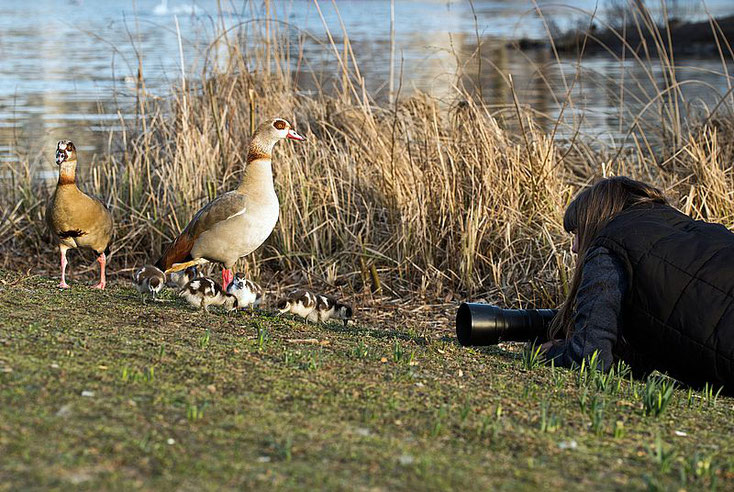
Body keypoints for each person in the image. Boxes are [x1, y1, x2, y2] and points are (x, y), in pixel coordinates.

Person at [542, 176, 734, 392]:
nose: (574, 248)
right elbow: (664, 329)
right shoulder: (685, 233)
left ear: (593, 222)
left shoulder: (610, 244)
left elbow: (590, 358)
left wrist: (547, 353)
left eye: (576, 234)